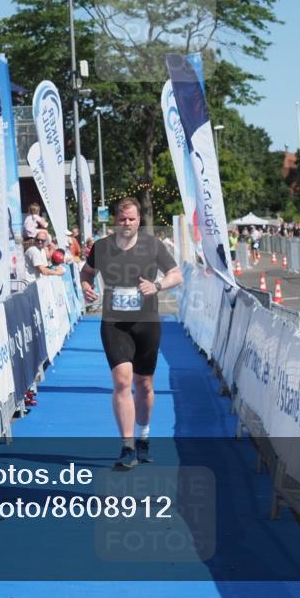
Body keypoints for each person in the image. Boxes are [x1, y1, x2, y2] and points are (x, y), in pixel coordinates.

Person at [79, 198, 182, 470]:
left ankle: (144, 435)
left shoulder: (152, 245)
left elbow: (176, 274)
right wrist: (86, 286)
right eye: (122, 219)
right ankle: (127, 446)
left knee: (144, 385)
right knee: (123, 383)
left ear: (138, 220)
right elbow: (86, 272)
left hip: (146, 323)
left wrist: (158, 285)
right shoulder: (101, 247)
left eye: (132, 219)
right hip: (114, 323)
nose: (127, 223)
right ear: (116, 220)